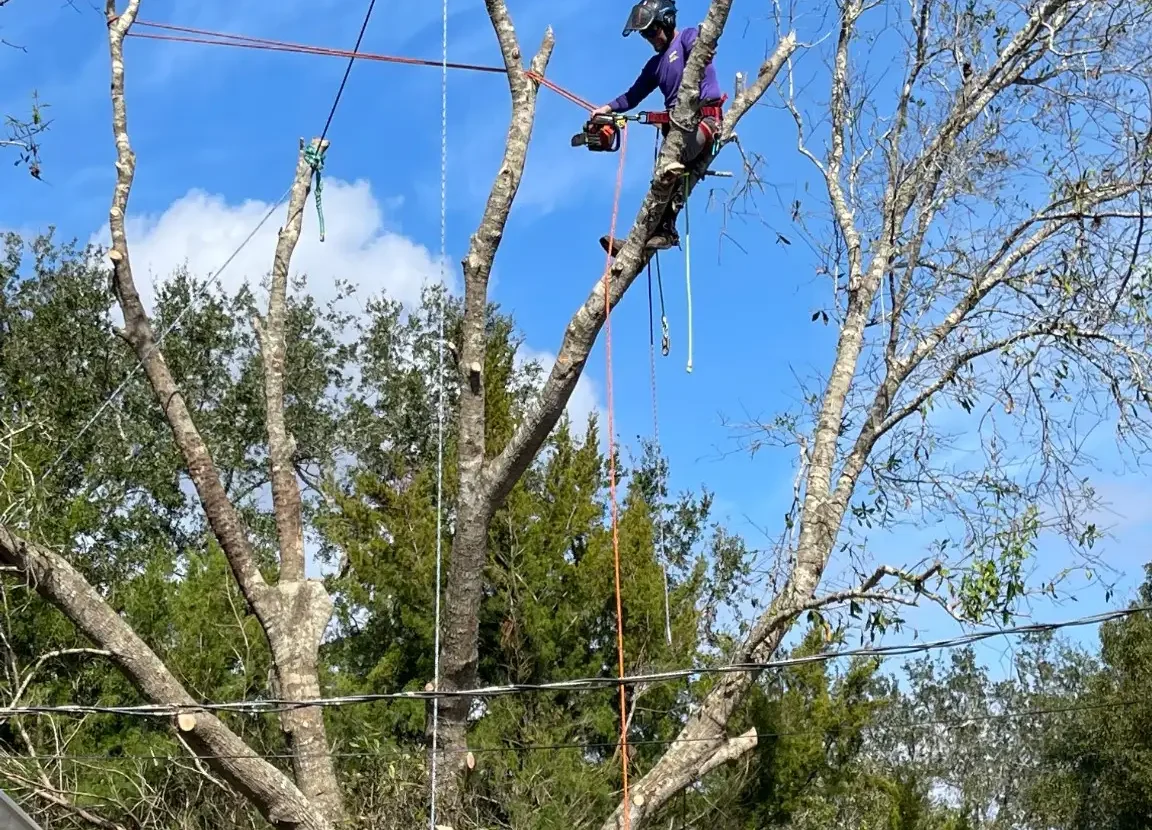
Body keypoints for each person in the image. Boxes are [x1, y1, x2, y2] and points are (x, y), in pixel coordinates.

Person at [594, 0, 725, 255]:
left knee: (669, 168)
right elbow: (632, 96)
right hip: (676, 129)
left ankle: (666, 231)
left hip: (704, 121)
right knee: (661, 178)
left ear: (667, 22)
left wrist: (705, 48)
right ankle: (639, 240)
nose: (650, 38)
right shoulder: (655, 65)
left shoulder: (687, 38)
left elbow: (703, 52)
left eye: (653, 31)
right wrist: (607, 109)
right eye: (645, 34)